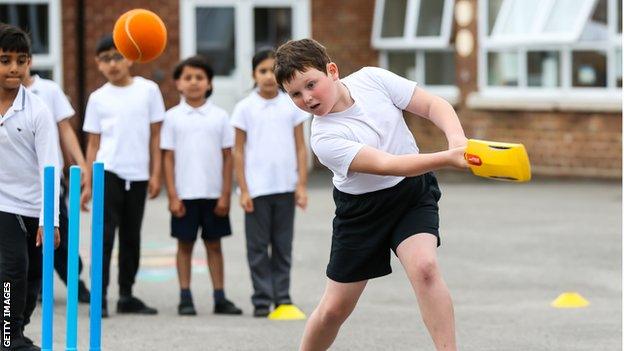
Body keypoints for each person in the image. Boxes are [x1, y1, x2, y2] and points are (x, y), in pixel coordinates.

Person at [274, 38, 468, 350]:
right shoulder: (323, 138)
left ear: (332, 71)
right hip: (362, 213)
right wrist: (447, 159)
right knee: (335, 309)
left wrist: (457, 141)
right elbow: (388, 164)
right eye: (295, 94)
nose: (307, 98)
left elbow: (434, 105)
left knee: (426, 269)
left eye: (311, 84)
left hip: (411, 195)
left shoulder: (372, 79)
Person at [82, 34, 164, 318]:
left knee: (132, 237)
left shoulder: (148, 90)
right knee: (103, 237)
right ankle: (100, 296)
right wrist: (88, 182)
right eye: (105, 59)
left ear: (130, 57)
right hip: (108, 173)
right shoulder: (98, 98)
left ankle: (126, 294)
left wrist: (156, 173)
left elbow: (156, 136)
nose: (113, 64)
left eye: (118, 57)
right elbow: (93, 143)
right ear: (98, 64)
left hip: (138, 173)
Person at [161, 56, 242, 316]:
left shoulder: (220, 117)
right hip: (184, 195)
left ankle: (220, 296)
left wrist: (225, 194)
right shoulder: (172, 117)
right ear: (178, 84)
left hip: (213, 194)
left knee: (214, 245)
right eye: (188, 78)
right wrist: (172, 195)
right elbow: (168, 157)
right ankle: (185, 297)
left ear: (209, 83)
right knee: (184, 245)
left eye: (199, 77)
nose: (194, 82)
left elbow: (228, 156)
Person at [232, 49, 309, 318]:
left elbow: (301, 147)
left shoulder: (292, 105)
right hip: (257, 190)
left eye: (272, 71)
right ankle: (262, 298)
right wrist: (243, 189)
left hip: (285, 188)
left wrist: (300, 185)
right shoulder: (244, 108)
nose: (267, 77)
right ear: (254, 74)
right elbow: (238, 151)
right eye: (262, 71)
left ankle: (283, 296)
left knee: (282, 245)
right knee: (257, 247)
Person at [0, 23, 61, 351]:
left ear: (29, 64)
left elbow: (50, 166)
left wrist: (48, 218)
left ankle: (17, 330)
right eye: (4, 59)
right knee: (13, 269)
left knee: (35, 274)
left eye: (20, 60)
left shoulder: (37, 109)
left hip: (35, 203)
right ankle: (7, 337)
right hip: (2, 205)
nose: (13, 67)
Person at [23, 65, 91, 304]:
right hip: (14, 184)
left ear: (28, 60)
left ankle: (75, 282)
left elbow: (65, 130)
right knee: (25, 238)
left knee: (57, 231)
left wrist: (81, 163)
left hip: (48, 178)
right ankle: (35, 284)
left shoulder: (48, 90)